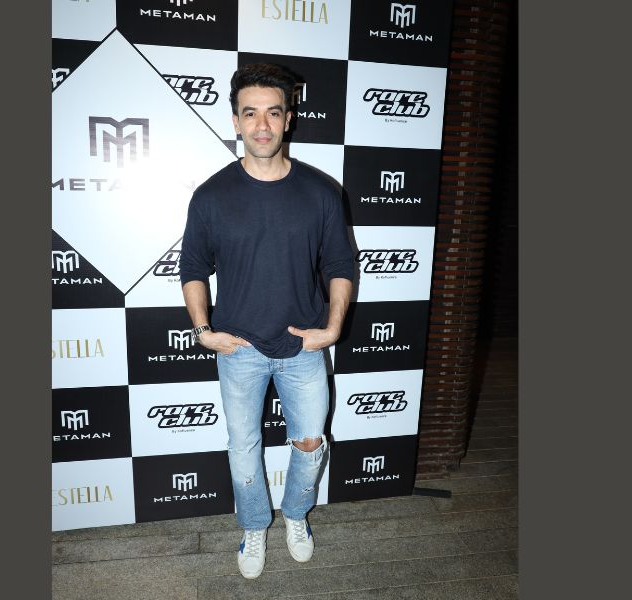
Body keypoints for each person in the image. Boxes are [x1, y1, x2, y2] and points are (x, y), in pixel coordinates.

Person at [179, 63, 354, 579]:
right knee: (243, 450)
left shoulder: (321, 192)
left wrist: (333, 328)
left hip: (303, 348)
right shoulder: (211, 196)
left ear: (288, 119)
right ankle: (254, 525)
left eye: (273, 113)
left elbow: (341, 264)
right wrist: (203, 330)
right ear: (235, 121)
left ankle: (296, 516)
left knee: (310, 443)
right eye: (250, 113)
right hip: (239, 349)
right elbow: (192, 267)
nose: (262, 125)